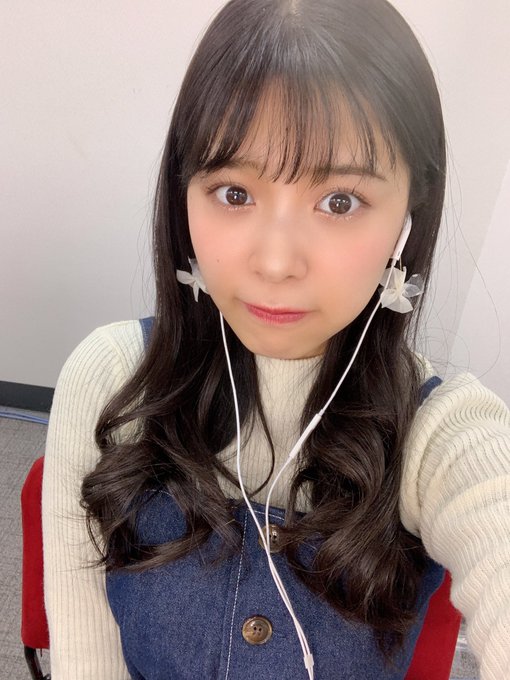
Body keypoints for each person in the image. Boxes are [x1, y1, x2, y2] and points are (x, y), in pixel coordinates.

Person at [41, 0, 510, 678]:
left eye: (340, 201)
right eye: (234, 193)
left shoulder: (442, 433)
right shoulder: (113, 381)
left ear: (409, 218)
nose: (275, 263)